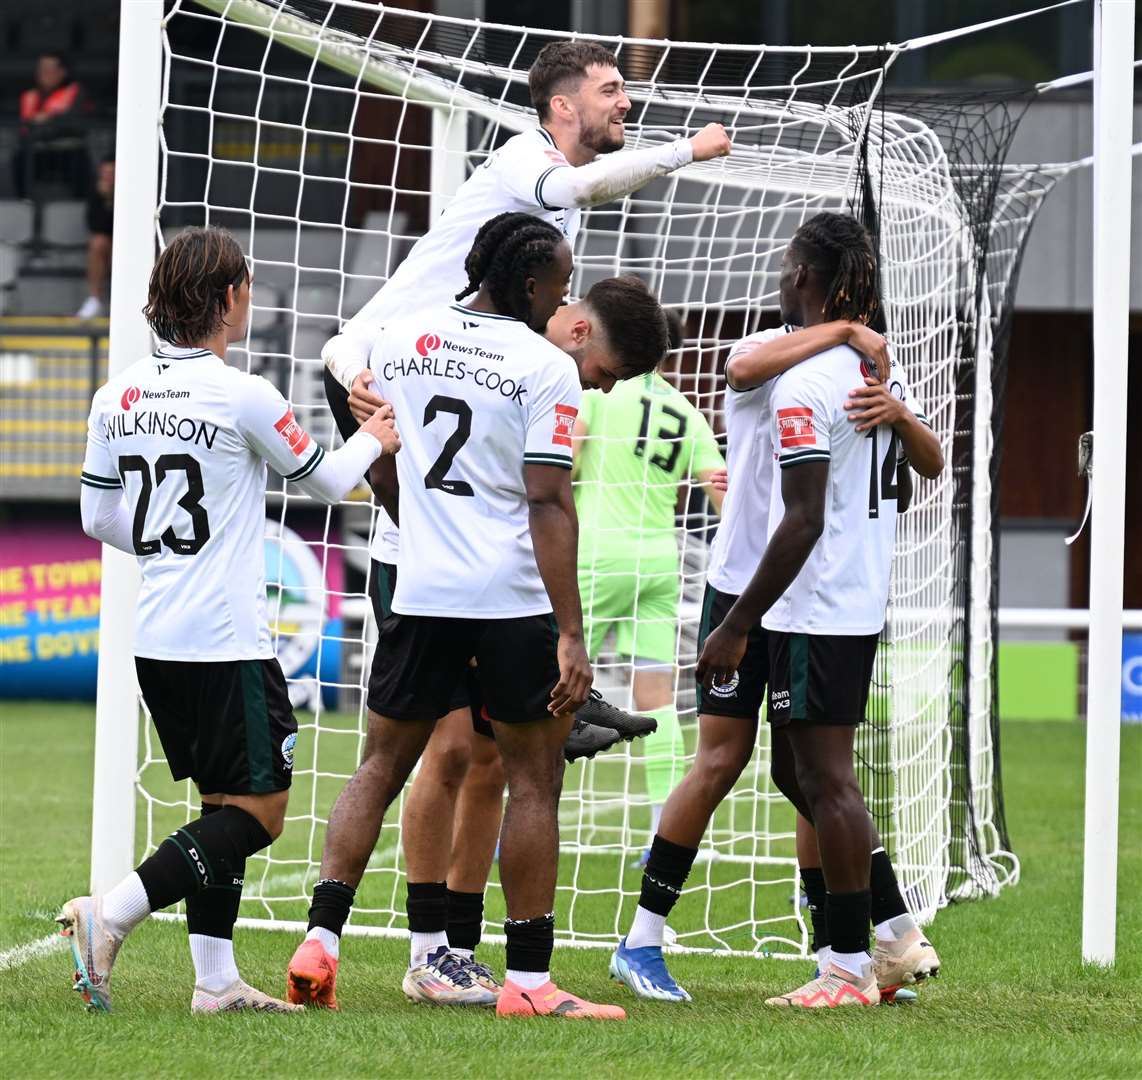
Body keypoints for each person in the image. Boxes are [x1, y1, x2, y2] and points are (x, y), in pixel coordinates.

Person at [286, 213, 653, 1020]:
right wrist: (570, 633)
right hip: (509, 598)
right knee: (534, 780)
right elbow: (549, 500)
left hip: (418, 586)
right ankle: (527, 983)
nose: (563, 296)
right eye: (558, 282)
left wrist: (398, 504)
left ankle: (321, 938)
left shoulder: (403, 338)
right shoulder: (543, 367)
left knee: (381, 765)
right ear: (528, 284)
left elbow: (365, 423)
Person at [59, 226, 400, 1014]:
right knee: (260, 813)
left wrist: (172, 547)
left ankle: (214, 982)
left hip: (158, 636)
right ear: (227, 298)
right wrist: (376, 434)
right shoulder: (242, 393)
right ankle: (107, 915)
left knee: (221, 803)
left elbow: (97, 517)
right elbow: (328, 484)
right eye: (245, 285)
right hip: (225, 642)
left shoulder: (119, 395)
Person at [388, 273, 673, 1006]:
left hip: (502, 587)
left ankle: (458, 945)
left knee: (490, 760)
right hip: (435, 574)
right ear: (576, 328)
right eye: (605, 375)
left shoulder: (538, 372)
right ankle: (429, 951)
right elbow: (544, 498)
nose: (602, 391)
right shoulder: (509, 354)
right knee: (448, 753)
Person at [608, 304, 895, 1001]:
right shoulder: (767, 348)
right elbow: (737, 370)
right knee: (720, 760)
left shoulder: (863, 373)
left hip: (802, 593)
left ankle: (838, 948)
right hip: (741, 588)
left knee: (812, 770)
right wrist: (844, 332)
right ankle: (642, 940)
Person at [695, 211, 944, 1009]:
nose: (777, 276)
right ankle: (889, 934)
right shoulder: (866, 377)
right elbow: (917, 473)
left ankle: (845, 966)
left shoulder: (803, 385)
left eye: (783, 266)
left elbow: (803, 519)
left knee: (827, 781)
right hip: (854, 600)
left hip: (814, 606)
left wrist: (738, 624)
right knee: (796, 769)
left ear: (802, 278)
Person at [572, 306, 725, 853]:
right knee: (658, 698)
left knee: (550, 692)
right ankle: (668, 829)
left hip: (595, 557)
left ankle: (510, 820)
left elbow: (561, 462)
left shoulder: (598, 393)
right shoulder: (685, 411)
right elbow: (720, 488)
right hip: (661, 564)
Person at [13, 53, 91, 199]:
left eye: (49, 69)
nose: (44, 73)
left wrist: (48, 120)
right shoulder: (29, 95)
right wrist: (48, 123)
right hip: (36, 151)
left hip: (66, 150)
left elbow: (73, 122)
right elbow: (25, 128)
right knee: (18, 158)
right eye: (41, 69)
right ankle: (23, 203)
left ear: (62, 72)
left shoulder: (74, 91)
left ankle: (80, 202)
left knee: (80, 161)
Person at [77, 157, 114, 319]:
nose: (108, 177)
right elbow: (95, 225)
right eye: (104, 174)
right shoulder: (96, 194)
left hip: (129, 244)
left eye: (112, 173)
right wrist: (105, 199)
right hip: (107, 243)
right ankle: (94, 300)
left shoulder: (133, 191)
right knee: (97, 243)